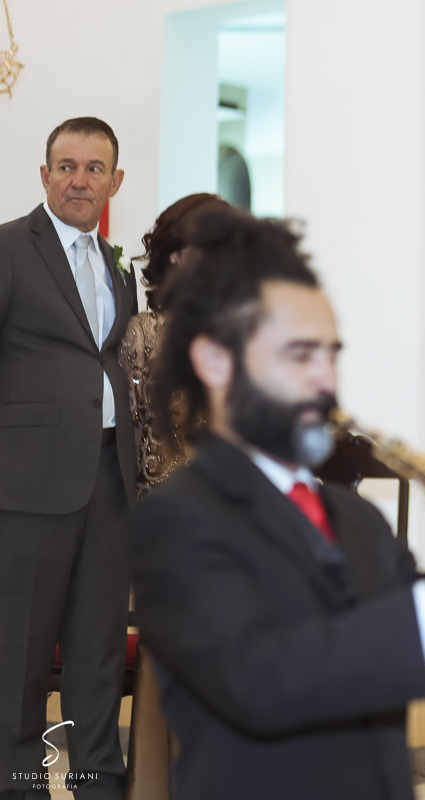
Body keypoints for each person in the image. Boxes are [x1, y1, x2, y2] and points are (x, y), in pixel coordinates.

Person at [128, 208, 425, 800]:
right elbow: (263, 682)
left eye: (331, 354)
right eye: (300, 355)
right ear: (215, 361)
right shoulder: (177, 519)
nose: (326, 380)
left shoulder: (355, 518)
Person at [0, 117, 137, 800]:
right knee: (18, 656)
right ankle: (19, 786)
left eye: (93, 168)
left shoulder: (119, 265)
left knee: (98, 653)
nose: (78, 179)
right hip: (26, 487)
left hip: (111, 481)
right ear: (45, 174)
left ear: (115, 181)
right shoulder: (7, 248)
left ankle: (100, 787)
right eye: (66, 165)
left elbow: (108, 358)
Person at [119, 193, 229, 497]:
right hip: (164, 509)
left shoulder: (246, 334)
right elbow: (131, 439)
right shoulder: (143, 333)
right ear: (175, 254)